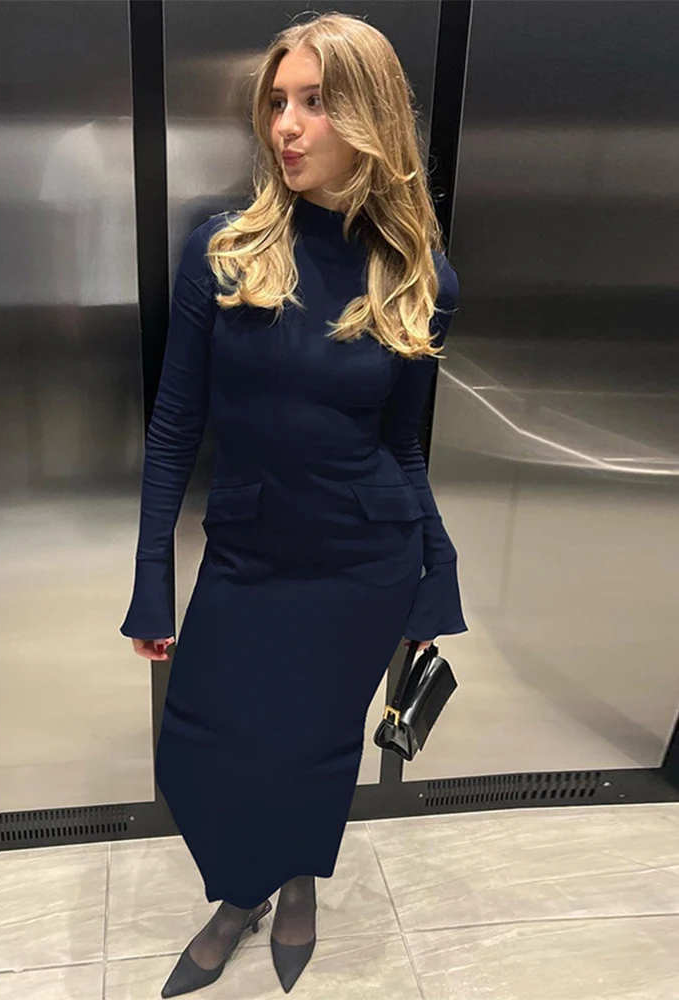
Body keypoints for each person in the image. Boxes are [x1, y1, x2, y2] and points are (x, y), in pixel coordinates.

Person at [119, 11, 468, 997]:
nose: (286, 125)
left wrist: (436, 571)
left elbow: (402, 445)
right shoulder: (223, 253)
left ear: (370, 117)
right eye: (278, 101)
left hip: (363, 564)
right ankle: (242, 886)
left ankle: (291, 882)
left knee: (314, 751)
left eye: (314, 102)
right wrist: (152, 580)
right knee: (202, 753)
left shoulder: (420, 279)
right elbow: (174, 425)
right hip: (248, 553)